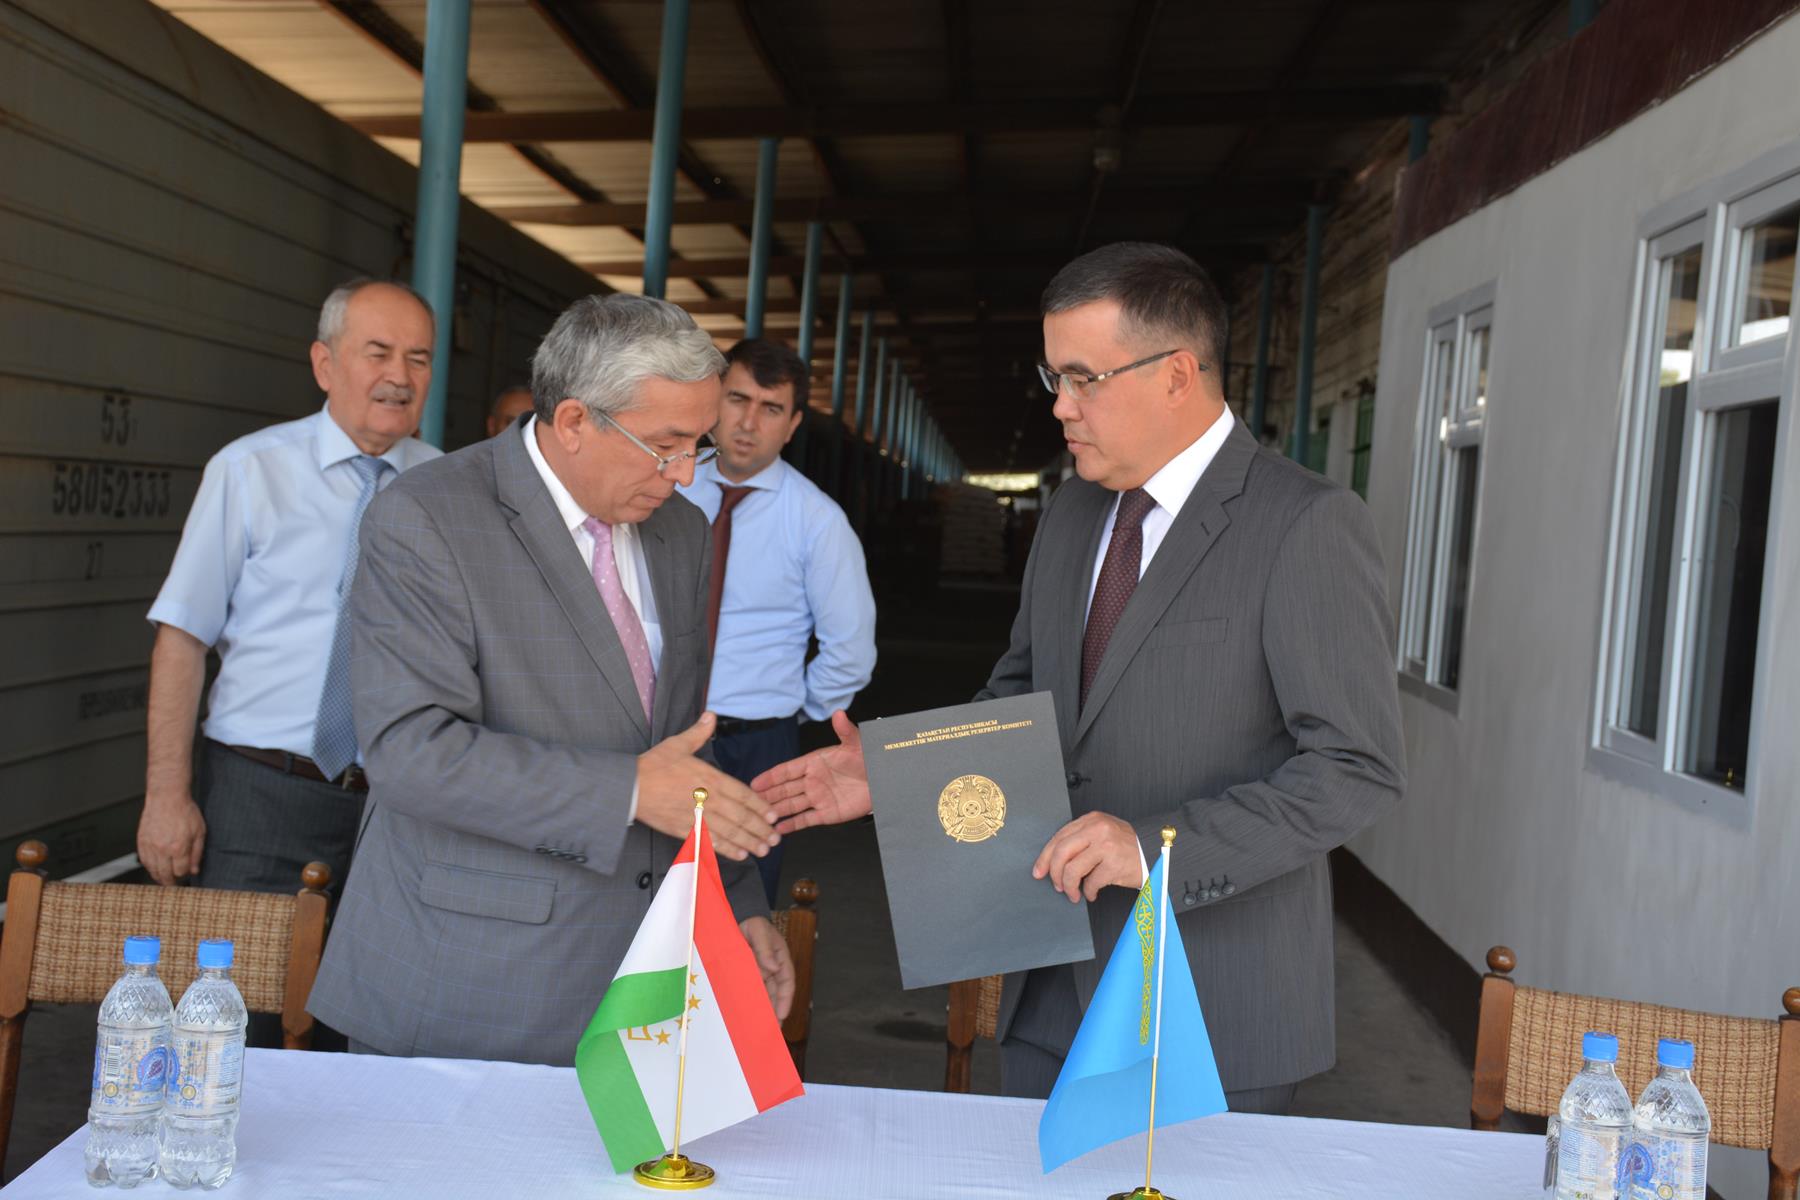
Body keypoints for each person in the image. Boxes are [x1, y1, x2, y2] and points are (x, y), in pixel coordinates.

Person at [754, 243, 1405, 1112]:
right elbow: (1021, 696)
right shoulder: (1073, 510)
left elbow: (1355, 767)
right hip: (1052, 980)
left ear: (1177, 374)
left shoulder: (1303, 524)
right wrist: (901, 772)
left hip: (1209, 998)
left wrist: (1154, 850)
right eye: (1052, 376)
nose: (1060, 405)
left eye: (1082, 378)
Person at [307, 294, 793, 1065]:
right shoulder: (426, 518)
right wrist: (627, 792)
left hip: (636, 985)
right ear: (573, 422)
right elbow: (411, 753)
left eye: (696, 446)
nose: (684, 474)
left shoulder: (681, 532)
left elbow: (681, 747)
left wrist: (736, 899)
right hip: (465, 981)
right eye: (665, 445)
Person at [137, 279, 441, 895]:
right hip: (258, 794)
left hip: (396, 810)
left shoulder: (448, 488)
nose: (400, 376)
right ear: (324, 364)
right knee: (242, 961)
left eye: (418, 358)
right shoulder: (249, 470)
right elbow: (183, 638)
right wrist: (166, 796)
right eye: (378, 353)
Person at [676, 338, 876, 906]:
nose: (748, 422)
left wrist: (786, 710)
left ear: (792, 425)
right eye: (738, 399)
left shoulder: (816, 520)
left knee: (741, 904)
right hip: (659, 726)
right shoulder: (667, 488)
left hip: (756, 743)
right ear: (713, 401)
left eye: (770, 408)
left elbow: (849, 648)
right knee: (651, 892)